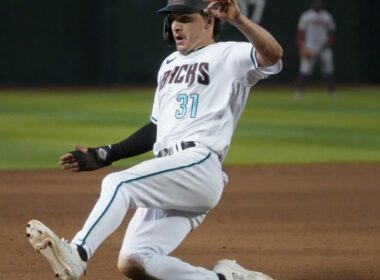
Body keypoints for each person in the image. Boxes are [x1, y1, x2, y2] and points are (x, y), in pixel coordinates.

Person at [26, 0, 283, 279]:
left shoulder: (229, 55)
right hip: (171, 170)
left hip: (199, 164)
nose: (176, 26)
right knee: (135, 262)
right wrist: (105, 154)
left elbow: (273, 54)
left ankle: (78, 253)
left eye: (185, 18)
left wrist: (239, 20)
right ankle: (227, 278)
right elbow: (155, 129)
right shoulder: (169, 64)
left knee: (118, 183)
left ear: (209, 22)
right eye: (172, 19)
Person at [295, 0, 336, 97]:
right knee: (304, 69)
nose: (317, 5)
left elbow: (331, 32)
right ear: (312, 4)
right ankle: (299, 91)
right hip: (310, 47)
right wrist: (301, 46)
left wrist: (328, 43)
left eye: (319, 3)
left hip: (324, 47)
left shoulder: (327, 16)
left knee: (328, 69)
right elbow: (300, 32)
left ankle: (331, 91)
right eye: (315, 3)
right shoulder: (306, 16)